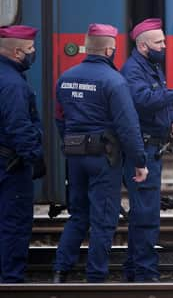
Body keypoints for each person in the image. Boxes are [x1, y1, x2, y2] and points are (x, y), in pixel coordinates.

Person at [53, 23, 149, 283]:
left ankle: (60, 270)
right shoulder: (114, 81)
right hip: (103, 157)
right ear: (109, 50)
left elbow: (60, 118)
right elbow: (128, 127)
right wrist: (140, 161)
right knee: (103, 219)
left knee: (78, 214)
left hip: (74, 155)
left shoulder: (66, 77)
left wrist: (73, 142)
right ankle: (95, 276)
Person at [120, 18, 173, 282]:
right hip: (144, 149)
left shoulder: (150, 66)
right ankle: (145, 273)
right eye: (159, 42)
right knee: (146, 214)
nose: (164, 46)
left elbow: (159, 99)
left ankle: (133, 269)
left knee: (143, 211)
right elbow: (144, 101)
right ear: (143, 46)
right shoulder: (133, 71)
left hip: (153, 146)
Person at [0, 25, 45, 283]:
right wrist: (34, 157)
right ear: (17, 52)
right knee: (14, 223)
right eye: (30, 49)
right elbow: (19, 125)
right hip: (11, 164)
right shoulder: (13, 84)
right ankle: (12, 280)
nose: (33, 52)